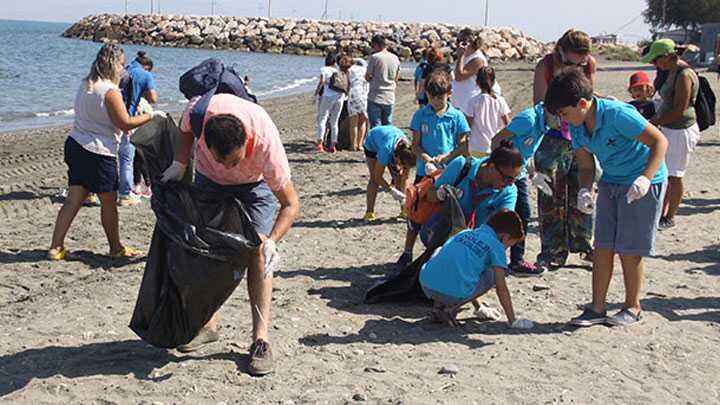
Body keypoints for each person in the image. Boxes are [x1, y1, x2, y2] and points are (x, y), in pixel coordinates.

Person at [160, 93, 300, 375]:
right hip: (210, 184)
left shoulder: (264, 143)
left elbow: (290, 204)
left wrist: (272, 241)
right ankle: (208, 324)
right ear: (207, 143)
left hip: (254, 188)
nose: (227, 168)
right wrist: (179, 163)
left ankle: (260, 340)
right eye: (220, 160)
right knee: (204, 249)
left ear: (246, 144)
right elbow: (185, 129)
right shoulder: (198, 114)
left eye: (233, 162)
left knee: (258, 254)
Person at [545, 68, 668, 327]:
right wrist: (585, 189)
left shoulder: (617, 115)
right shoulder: (576, 126)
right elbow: (587, 166)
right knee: (602, 246)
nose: (562, 119)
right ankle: (597, 308)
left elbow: (660, 142)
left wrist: (645, 178)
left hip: (641, 181)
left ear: (582, 103)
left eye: (565, 113)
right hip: (611, 181)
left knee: (629, 249)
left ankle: (632, 307)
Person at [48, 44, 158, 261]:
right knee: (109, 201)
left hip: (75, 143)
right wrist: (150, 116)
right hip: (98, 150)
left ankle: (55, 246)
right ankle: (115, 247)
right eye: (121, 64)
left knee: (74, 198)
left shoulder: (86, 83)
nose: (123, 68)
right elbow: (125, 123)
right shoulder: (110, 91)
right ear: (113, 63)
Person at [531, 28, 596, 271]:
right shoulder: (545, 66)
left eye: (581, 62)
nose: (577, 65)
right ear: (561, 50)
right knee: (550, 193)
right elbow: (538, 102)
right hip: (554, 135)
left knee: (583, 189)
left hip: (579, 133)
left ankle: (583, 244)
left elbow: (588, 98)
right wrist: (555, 118)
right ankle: (553, 250)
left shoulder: (589, 65)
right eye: (572, 61)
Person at [397, 70, 470, 266]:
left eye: (440, 97)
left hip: (449, 172)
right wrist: (427, 158)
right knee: (416, 211)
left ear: (449, 94)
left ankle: (441, 254)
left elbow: (463, 145)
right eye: (431, 96)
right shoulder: (421, 114)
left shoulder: (457, 116)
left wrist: (447, 156)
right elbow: (415, 144)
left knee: (447, 213)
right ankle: (407, 252)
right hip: (424, 172)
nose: (435, 101)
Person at [419, 209, 533, 329]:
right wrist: (512, 320)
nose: (506, 248)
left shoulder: (465, 232)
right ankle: (449, 309)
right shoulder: (496, 246)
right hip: (451, 294)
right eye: (509, 245)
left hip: (426, 284)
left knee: (451, 258)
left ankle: (438, 306)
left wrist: (479, 307)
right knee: (492, 274)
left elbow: (466, 269)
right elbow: (501, 288)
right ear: (505, 238)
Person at [492, 102, 559, 275]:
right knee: (499, 215)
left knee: (523, 215)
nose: (561, 123)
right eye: (560, 117)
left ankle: (516, 261)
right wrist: (498, 170)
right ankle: (491, 261)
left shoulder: (543, 126)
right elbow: (497, 139)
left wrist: (533, 174)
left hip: (518, 174)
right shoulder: (528, 120)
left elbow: (525, 152)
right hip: (505, 173)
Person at [643, 39, 700, 230]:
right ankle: (661, 212)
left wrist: (655, 123)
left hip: (680, 130)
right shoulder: (672, 71)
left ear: (666, 57)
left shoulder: (684, 74)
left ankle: (670, 216)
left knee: (675, 176)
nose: (655, 64)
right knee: (666, 173)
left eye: (656, 60)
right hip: (670, 128)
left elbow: (679, 109)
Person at [118, 51, 158, 206]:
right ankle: (125, 194)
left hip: (112, 115)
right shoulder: (144, 75)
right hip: (129, 117)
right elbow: (153, 99)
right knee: (128, 157)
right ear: (147, 66)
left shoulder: (123, 69)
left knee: (111, 155)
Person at [362, 125, 416, 221]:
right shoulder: (386, 150)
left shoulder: (409, 151)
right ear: (398, 158)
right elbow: (377, 176)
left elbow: (405, 178)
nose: (404, 168)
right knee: (373, 179)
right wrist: (392, 191)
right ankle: (369, 212)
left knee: (399, 177)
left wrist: (405, 200)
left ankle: (404, 210)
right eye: (402, 165)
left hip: (391, 140)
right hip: (372, 142)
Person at [462, 66, 511, 158]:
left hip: (477, 146)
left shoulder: (473, 101)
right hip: (496, 146)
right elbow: (508, 123)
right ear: (493, 81)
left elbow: (468, 125)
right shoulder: (500, 100)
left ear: (477, 82)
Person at [365, 35, 401, 128]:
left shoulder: (375, 57)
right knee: (388, 125)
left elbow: (367, 76)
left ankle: (377, 142)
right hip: (390, 95)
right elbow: (396, 77)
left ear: (377, 45)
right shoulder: (395, 58)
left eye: (373, 46)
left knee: (376, 125)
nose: (372, 49)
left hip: (375, 95)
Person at [451, 28, 490, 112]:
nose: (457, 44)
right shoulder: (466, 56)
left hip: (470, 104)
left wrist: (460, 56)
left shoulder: (478, 60)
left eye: (459, 41)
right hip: (461, 103)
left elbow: (459, 76)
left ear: (470, 43)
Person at [314, 53, 346, 153]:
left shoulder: (324, 69)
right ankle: (333, 145)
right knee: (334, 121)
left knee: (322, 119)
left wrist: (316, 93)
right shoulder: (338, 70)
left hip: (328, 96)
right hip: (340, 97)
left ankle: (320, 144)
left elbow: (322, 81)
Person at [347, 58, 370, 151]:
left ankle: (353, 145)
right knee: (362, 121)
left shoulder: (351, 70)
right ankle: (360, 145)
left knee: (354, 122)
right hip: (364, 95)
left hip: (353, 94)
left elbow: (347, 82)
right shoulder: (366, 70)